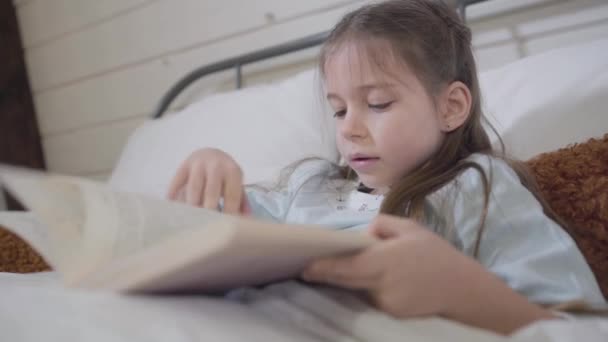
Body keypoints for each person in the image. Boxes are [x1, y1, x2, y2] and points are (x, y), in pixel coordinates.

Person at [167, 0, 605, 335]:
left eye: (377, 104)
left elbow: (581, 329)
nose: (350, 130)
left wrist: (457, 287)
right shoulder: (309, 185)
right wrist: (213, 176)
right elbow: (224, 232)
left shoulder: (476, 187)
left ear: (451, 107)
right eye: (338, 111)